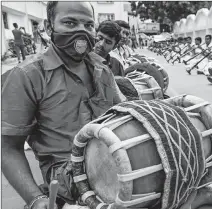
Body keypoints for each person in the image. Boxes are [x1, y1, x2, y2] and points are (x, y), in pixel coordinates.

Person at [1, 2, 127, 209]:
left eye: (88, 25)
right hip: (67, 187)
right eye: (70, 22)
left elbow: (124, 114)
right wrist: (36, 199)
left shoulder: (102, 70)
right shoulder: (26, 76)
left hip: (115, 170)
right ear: (50, 28)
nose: (81, 31)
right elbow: (7, 148)